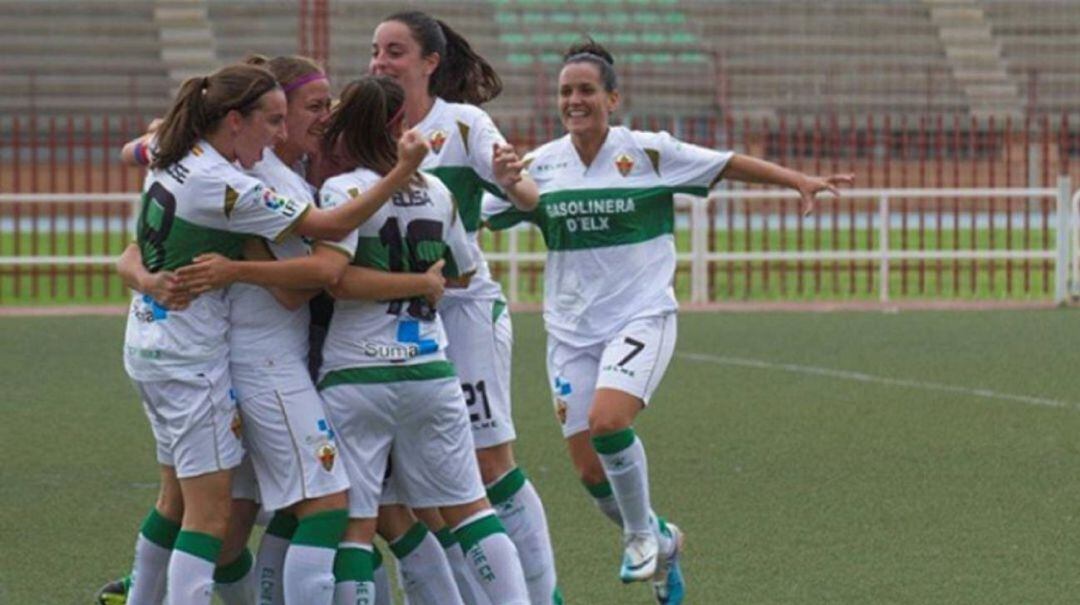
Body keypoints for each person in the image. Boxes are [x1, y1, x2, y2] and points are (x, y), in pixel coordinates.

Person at [484, 39, 854, 605]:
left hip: (640, 318)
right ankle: (661, 539)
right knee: (588, 471)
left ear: (613, 98)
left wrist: (796, 180)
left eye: (586, 90)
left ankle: (638, 538)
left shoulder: (649, 153)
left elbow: (725, 163)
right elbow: (472, 213)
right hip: (569, 334)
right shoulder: (541, 166)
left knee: (608, 421)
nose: (575, 100)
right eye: (566, 92)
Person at [116, 62, 427, 605]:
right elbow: (316, 268)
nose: (297, 128)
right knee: (308, 506)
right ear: (238, 119)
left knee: (203, 512)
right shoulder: (241, 181)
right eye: (290, 114)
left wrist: (150, 276)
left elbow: (135, 168)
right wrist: (401, 174)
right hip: (241, 364)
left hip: (164, 349)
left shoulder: (178, 152)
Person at [315, 74, 531, 605]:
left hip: (356, 374)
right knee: (471, 511)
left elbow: (333, 278)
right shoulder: (436, 190)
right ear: (400, 125)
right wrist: (421, 281)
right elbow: (460, 273)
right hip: (428, 372)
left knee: (357, 527)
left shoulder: (341, 192)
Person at [370, 11, 560, 604]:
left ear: (431, 62)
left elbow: (526, 193)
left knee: (488, 463)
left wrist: (513, 181)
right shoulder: (367, 125)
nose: (380, 62)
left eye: (395, 51)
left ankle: (542, 594)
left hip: (462, 307)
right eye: (376, 50)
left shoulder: (464, 123)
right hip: (394, 317)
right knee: (421, 485)